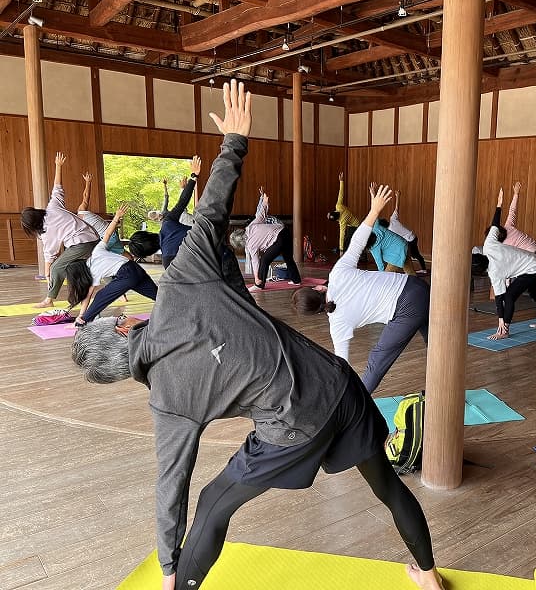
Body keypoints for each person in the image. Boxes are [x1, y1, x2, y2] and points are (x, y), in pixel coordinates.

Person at [71, 81, 443, 590]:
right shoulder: (182, 282)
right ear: (122, 323)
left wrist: (165, 565)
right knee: (387, 488)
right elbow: (210, 213)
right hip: (338, 383)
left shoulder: (168, 405)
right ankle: (427, 575)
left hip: (294, 422)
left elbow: (170, 487)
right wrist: (234, 141)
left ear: (119, 372)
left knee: (211, 503)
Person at [293, 185, 429, 395]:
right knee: (436, 344)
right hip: (416, 286)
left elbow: (342, 363)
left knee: (377, 358)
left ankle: (359, 405)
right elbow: (358, 241)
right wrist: (374, 210)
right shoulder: (338, 273)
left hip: (407, 308)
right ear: (318, 287)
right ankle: (445, 390)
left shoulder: (337, 323)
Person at [20, 152, 100, 308]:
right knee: (71, 267)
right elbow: (57, 188)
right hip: (90, 238)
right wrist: (58, 166)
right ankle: (82, 295)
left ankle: (49, 300)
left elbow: (49, 255)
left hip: (83, 243)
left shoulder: (47, 232)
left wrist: (47, 273)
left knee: (57, 267)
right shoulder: (52, 207)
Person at [65, 205, 158, 325]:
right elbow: (108, 234)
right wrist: (116, 217)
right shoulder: (96, 252)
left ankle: (82, 321)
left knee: (101, 296)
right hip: (135, 268)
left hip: (127, 274)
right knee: (159, 296)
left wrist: (82, 315)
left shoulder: (92, 272)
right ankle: (181, 304)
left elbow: (88, 295)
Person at [482, 187, 536, 340]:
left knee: (511, 295)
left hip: (532, 257)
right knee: (534, 290)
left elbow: (505, 266)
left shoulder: (506, 245)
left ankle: (505, 331)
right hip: (530, 256)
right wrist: (513, 196)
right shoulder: (506, 227)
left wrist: (504, 284)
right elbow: (511, 212)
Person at [244, 187, 301, 289]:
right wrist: (264, 201)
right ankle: (296, 280)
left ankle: (259, 285)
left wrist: (256, 277)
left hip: (278, 237)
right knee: (288, 258)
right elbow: (261, 214)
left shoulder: (250, 244)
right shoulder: (251, 226)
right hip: (285, 231)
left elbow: (255, 261)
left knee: (264, 260)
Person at [159, 156, 201, 268]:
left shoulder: (168, 220)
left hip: (172, 257)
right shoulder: (168, 222)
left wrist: (167, 186)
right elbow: (182, 202)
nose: (157, 216)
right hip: (185, 252)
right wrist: (193, 177)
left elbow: (180, 202)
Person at [76, 172, 126, 255]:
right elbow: (85, 197)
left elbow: (86, 197)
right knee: (123, 255)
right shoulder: (81, 213)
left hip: (108, 236)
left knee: (98, 257)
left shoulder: (80, 216)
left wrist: (88, 182)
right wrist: (88, 182)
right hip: (111, 233)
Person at [389, 189, 427, 273]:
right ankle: (421, 268)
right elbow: (397, 208)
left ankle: (423, 269)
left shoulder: (389, 231)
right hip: (411, 236)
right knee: (411, 254)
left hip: (410, 238)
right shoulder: (392, 219)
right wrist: (398, 196)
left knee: (413, 254)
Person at [327, 171, 361, 254]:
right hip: (353, 224)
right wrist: (341, 181)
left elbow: (341, 235)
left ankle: (347, 254)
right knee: (348, 239)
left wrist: (341, 249)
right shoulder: (339, 206)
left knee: (349, 240)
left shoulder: (342, 221)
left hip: (355, 226)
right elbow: (341, 194)